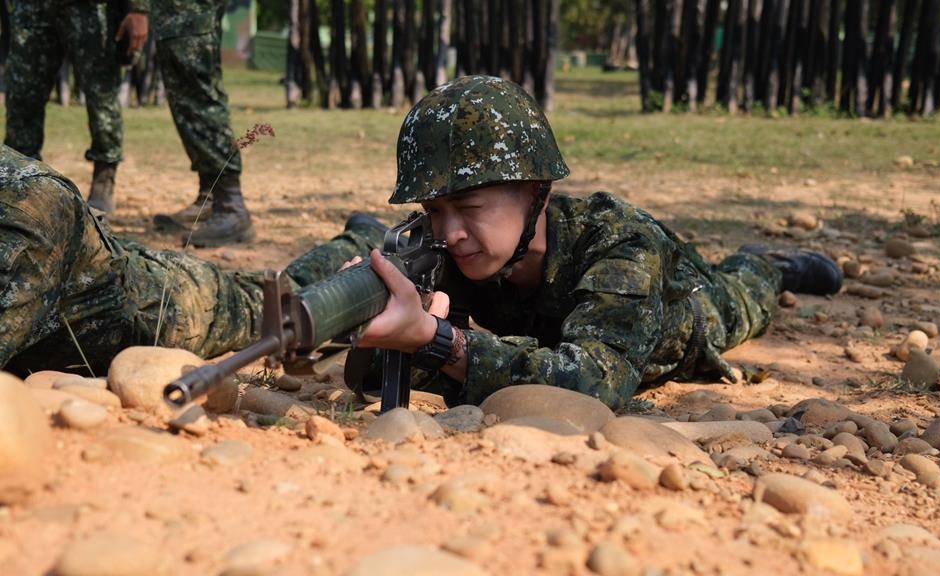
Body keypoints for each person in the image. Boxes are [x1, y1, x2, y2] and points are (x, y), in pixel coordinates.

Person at [340, 75, 843, 410]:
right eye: (434, 210)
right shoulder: (440, 247)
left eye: (470, 208)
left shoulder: (620, 241)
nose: (449, 232)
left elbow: (598, 384)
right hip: (544, 330)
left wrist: (439, 340)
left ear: (538, 192)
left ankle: (770, 265)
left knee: (742, 299)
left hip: (690, 314)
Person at [0, 144, 380, 376]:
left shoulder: (31, 206)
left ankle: (363, 241)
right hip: (90, 266)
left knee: (274, 308)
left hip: (160, 307)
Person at [4, 0, 149, 216]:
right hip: (32, 7)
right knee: (22, 94)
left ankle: (104, 179)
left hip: (90, 8)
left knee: (101, 95)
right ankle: (21, 180)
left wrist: (139, 8)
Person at [148, 0, 253, 247]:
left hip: (187, 10)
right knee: (184, 96)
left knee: (197, 94)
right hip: (174, 13)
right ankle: (210, 198)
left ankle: (231, 206)